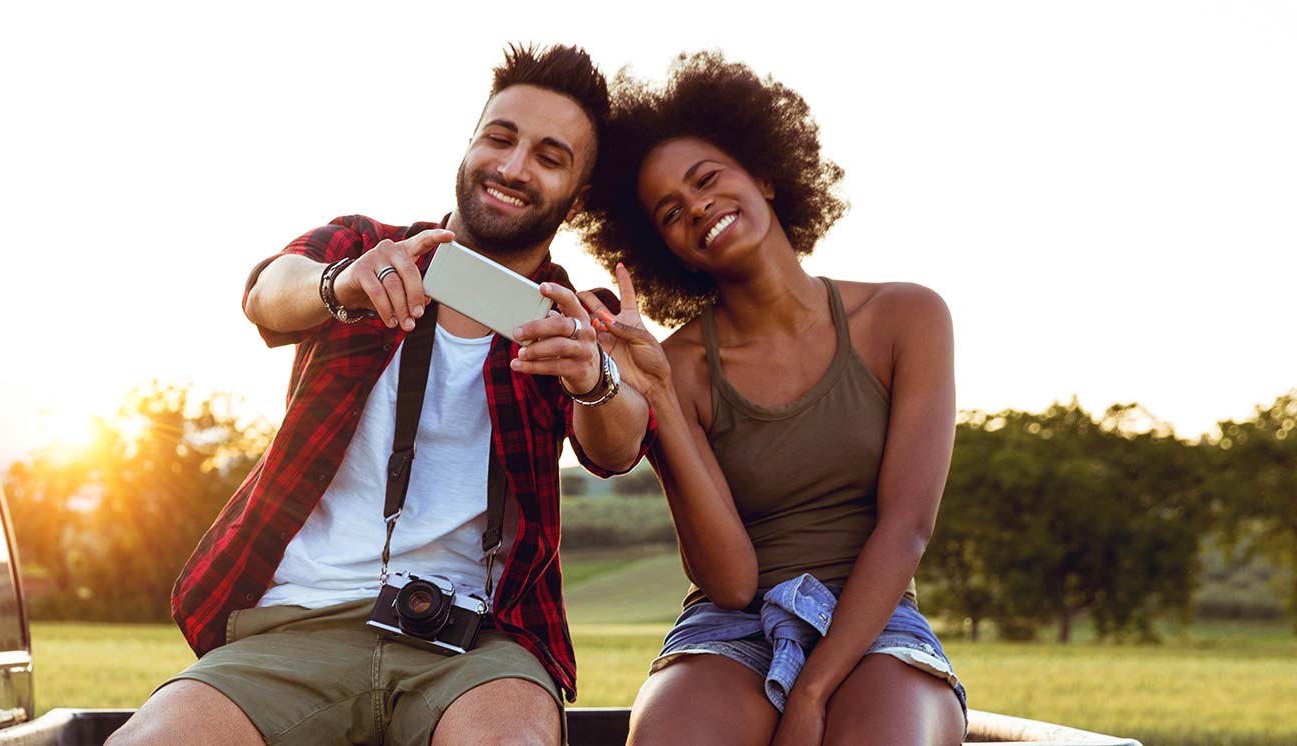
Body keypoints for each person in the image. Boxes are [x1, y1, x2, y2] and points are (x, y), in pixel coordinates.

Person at [105, 44, 652, 746]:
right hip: (295, 624)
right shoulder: (367, 248)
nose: (513, 168)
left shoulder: (577, 313)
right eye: (500, 137)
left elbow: (619, 447)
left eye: (549, 157)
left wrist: (594, 380)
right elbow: (267, 293)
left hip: (480, 645)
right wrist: (338, 285)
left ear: (576, 195)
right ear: (470, 144)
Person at [573, 51, 969, 746]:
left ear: (762, 172)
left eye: (708, 179)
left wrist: (813, 689)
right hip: (731, 629)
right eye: (671, 212)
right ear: (671, 250)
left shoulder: (907, 319)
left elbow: (907, 526)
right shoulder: (676, 367)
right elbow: (730, 581)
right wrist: (659, 394)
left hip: (875, 622)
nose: (698, 207)